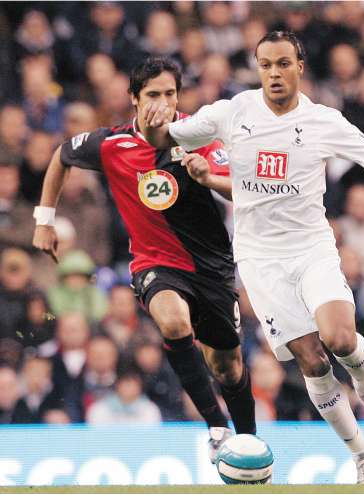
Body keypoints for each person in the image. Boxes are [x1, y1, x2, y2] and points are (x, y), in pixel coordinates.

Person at [143, 31, 364, 484]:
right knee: (313, 362)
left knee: (340, 339)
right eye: (265, 65)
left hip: (311, 247)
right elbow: (165, 137)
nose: (274, 73)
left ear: (300, 65)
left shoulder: (325, 121)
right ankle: (362, 455)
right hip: (261, 259)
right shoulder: (232, 112)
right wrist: (150, 119)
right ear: (257, 67)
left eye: (283, 63)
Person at [32, 57, 256, 461]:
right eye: (153, 94)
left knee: (229, 368)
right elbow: (61, 156)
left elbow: (238, 190)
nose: (163, 102)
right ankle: (218, 429)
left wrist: (207, 176)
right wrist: (44, 220)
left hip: (213, 269)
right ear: (134, 99)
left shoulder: (198, 136)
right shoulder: (112, 144)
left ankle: (253, 443)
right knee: (172, 320)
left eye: (170, 93)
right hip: (155, 263)